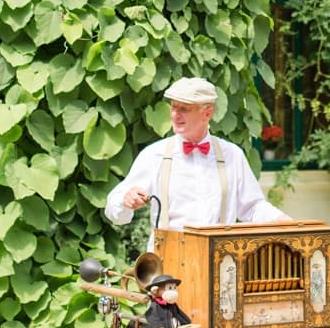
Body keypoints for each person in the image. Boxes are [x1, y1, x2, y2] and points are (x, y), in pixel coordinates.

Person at [106, 77, 290, 229]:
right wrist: (125, 200)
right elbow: (114, 211)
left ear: (207, 113)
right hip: (168, 265)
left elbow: (253, 207)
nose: (175, 115)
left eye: (184, 109)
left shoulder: (232, 155)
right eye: (173, 107)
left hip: (220, 261)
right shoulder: (155, 155)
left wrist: (283, 221)